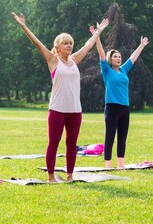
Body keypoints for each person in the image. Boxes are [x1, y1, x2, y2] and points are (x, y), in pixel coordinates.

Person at [11, 12, 109, 182]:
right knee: (53, 143)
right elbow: (36, 43)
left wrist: (98, 32)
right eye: (66, 43)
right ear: (58, 46)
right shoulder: (53, 61)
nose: (69, 46)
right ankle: (51, 177)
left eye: (71, 43)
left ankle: (70, 175)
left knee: (72, 144)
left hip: (75, 110)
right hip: (57, 109)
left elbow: (88, 45)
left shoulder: (74, 60)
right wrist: (23, 25)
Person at [93, 29, 149, 169]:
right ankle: (108, 164)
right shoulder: (107, 70)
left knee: (122, 137)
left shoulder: (123, 70)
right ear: (110, 59)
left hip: (125, 107)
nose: (118, 58)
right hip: (112, 107)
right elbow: (101, 53)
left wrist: (141, 45)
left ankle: (121, 164)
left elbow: (133, 58)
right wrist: (97, 36)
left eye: (119, 57)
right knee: (110, 136)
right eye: (115, 57)